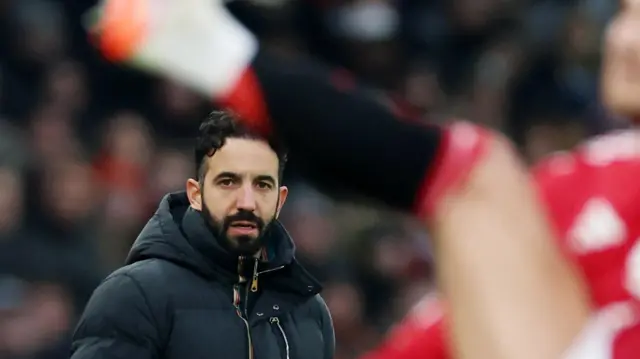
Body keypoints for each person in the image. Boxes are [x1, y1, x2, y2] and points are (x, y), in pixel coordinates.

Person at [85, 0, 637, 358]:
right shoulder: (584, 176)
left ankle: (217, 53)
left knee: (478, 174)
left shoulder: (508, 191)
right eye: (623, 15)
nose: (625, 41)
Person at [70, 111, 335, 359]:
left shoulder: (310, 311)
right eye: (228, 182)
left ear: (280, 200)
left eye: (262, 185)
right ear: (195, 195)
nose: (246, 202)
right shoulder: (135, 294)